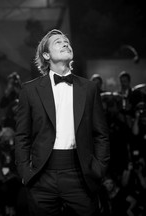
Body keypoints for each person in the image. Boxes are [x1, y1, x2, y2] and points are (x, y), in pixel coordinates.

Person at [14, 29, 110, 216]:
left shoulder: (89, 88)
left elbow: (101, 134)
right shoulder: (30, 90)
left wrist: (98, 170)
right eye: (58, 42)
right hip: (42, 176)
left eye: (67, 41)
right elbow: (22, 136)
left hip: (80, 173)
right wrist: (26, 172)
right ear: (46, 55)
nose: (65, 43)